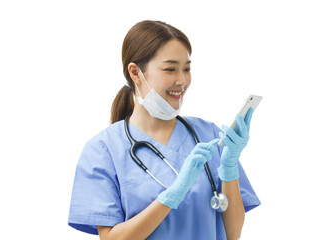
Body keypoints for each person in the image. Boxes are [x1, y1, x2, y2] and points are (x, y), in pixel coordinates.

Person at [68, 20, 260, 240]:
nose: (182, 80)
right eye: (170, 69)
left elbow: (232, 234)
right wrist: (171, 196)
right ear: (135, 72)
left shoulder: (209, 135)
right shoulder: (103, 150)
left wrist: (229, 167)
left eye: (186, 69)